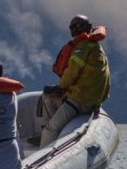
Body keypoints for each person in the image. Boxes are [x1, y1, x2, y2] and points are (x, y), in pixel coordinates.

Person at [38, 15, 110, 147]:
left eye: (73, 27)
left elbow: (71, 73)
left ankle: (45, 146)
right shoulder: (96, 47)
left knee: (51, 128)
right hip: (93, 100)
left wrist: (61, 86)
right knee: (49, 96)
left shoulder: (81, 48)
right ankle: (55, 132)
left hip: (80, 100)